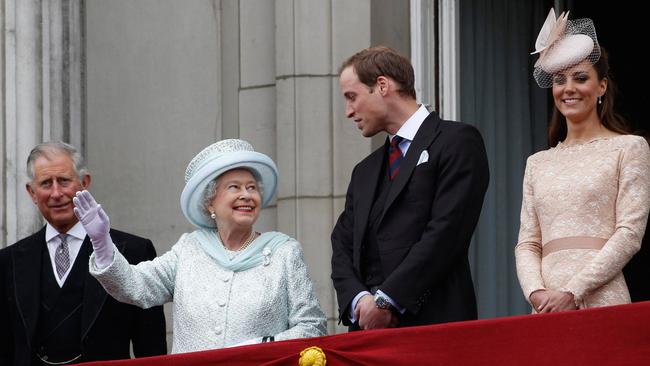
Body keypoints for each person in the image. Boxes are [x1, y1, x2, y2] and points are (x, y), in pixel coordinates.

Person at [73, 139, 326, 353]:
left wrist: (262, 346)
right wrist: (102, 242)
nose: (247, 195)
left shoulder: (284, 252)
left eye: (251, 188)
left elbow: (312, 325)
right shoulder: (189, 249)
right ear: (210, 203)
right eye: (234, 187)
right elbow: (135, 287)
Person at [331, 46, 490, 330]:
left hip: (437, 330)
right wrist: (360, 303)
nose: (348, 111)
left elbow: (447, 231)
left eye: (352, 97)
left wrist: (387, 300)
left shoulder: (457, 141)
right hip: (367, 338)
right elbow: (342, 245)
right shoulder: (364, 171)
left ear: (382, 85)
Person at [515, 9, 650, 313]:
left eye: (580, 78)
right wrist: (536, 293)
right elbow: (528, 243)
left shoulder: (629, 148)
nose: (569, 88)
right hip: (546, 308)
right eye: (559, 80)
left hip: (602, 300)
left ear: (601, 86)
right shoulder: (537, 163)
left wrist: (573, 291)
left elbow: (629, 233)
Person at [0, 141, 167, 366]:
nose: (56, 193)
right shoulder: (9, 261)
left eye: (64, 181)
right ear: (32, 192)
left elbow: (152, 348)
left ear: (84, 182)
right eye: (46, 183)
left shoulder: (133, 251)